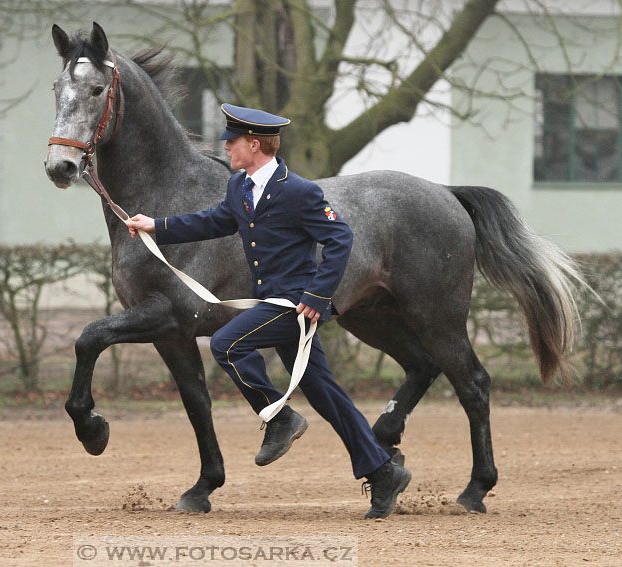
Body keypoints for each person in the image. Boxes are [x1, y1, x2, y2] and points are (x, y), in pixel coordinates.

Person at [125, 103, 411, 519]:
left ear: (254, 145)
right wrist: (157, 226)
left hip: (295, 306)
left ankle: (278, 417)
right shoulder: (238, 188)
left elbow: (340, 239)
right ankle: (383, 473)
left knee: (226, 344)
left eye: (232, 141)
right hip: (272, 302)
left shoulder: (300, 192)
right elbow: (215, 222)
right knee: (325, 392)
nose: (225, 147)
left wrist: (317, 296)